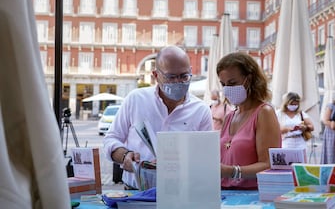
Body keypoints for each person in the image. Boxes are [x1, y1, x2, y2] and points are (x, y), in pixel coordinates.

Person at [103, 45, 213, 189]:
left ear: (191, 72)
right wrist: (125, 156)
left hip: (180, 193)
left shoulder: (201, 110)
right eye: (171, 77)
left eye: (184, 76)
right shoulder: (136, 99)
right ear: (156, 75)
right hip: (135, 192)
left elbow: (206, 158)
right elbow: (111, 139)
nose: (178, 82)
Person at [218, 52, 281, 190]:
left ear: (249, 79)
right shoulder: (229, 117)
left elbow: (268, 164)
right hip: (224, 194)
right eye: (223, 84)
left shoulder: (264, 112)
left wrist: (231, 172)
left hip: (252, 196)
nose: (227, 89)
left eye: (232, 83)